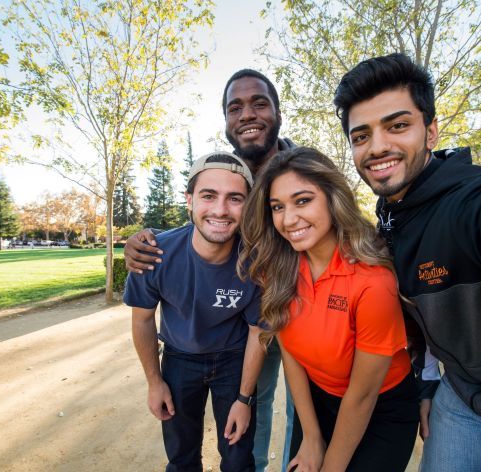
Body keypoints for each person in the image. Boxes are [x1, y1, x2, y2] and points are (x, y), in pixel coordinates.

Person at [333, 53, 481, 470]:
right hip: (464, 396)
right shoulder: (389, 222)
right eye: (361, 136)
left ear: (431, 131)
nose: (378, 146)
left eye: (397, 126)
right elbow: (427, 321)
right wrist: (430, 385)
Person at [124, 69, 295, 471]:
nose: (247, 114)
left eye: (259, 103)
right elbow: (203, 223)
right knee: (253, 407)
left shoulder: (301, 167)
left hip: (305, 304)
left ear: (277, 112)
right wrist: (140, 243)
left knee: (304, 411)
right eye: (235, 107)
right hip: (248, 321)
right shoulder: (225, 176)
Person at [239, 147, 419, 471]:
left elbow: (362, 397)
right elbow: (291, 352)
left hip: (380, 409)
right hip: (318, 401)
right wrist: (311, 435)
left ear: (332, 197)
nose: (288, 219)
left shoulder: (373, 283)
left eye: (303, 200)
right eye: (277, 207)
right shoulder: (279, 269)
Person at [124, 152, 265, 471]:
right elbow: (143, 319)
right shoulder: (153, 254)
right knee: (181, 456)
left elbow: (259, 332)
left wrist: (244, 400)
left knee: (238, 457)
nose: (220, 209)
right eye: (208, 195)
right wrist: (154, 381)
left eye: (234, 198)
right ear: (189, 200)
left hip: (233, 358)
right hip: (178, 359)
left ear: (247, 206)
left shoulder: (257, 263)